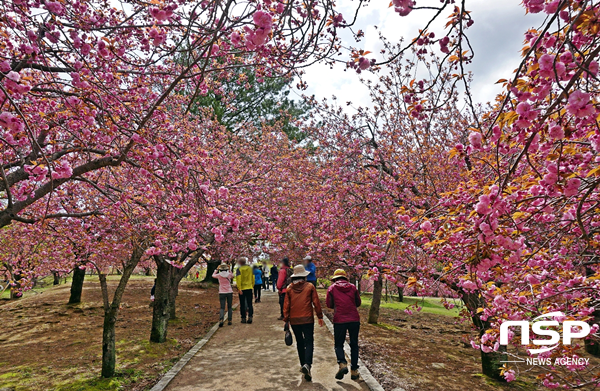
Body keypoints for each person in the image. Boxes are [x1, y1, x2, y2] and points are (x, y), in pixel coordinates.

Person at [283, 264, 324, 382]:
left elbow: (286, 305)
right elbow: (316, 302)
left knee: (300, 342)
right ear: (304, 276)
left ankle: (303, 365)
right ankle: (307, 365)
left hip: (295, 320)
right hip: (307, 319)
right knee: (309, 341)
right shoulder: (310, 286)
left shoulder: (290, 288)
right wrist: (319, 316)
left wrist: (286, 319)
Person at [326, 269, 362, 381]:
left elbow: (329, 304)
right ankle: (354, 370)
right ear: (345, 278)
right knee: (354, 344)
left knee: (338, 344)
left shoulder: (332, 288)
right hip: (354, 319)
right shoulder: (353, 287)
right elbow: (358, 303)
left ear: (335, 279)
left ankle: (342, 363)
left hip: (339, 320)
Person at [235, 257, 255, 323]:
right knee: (250, 303)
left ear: (240, 262)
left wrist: (239, 288)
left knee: (242, 304)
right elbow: (253, 277)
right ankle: (250, 316)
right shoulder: (250, 269)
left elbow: (238, 279)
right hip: (249, 288)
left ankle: (243, 318)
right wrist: (252, 285)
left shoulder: (239, 269)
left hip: (242, 289)